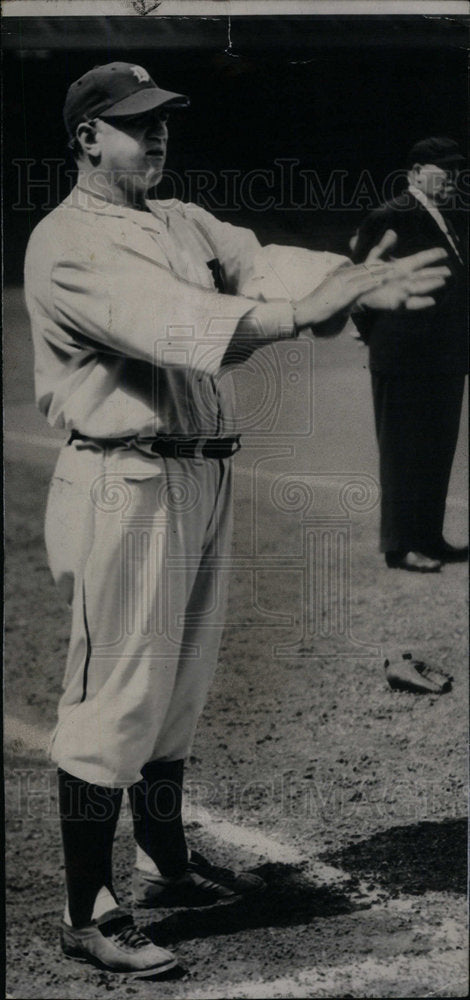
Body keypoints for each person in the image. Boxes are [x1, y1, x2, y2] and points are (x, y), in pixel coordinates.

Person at [24, 63, 451, 976]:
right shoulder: (66, 241)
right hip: (121, 482)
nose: (160, 134)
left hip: (197, 475)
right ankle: (87, 909)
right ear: (87, 137)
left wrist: (348, 276)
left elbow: (257, 259)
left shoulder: (177, 218)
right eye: (136, 123)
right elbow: (174, 325)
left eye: (166, 120)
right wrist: (303, 313)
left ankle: (166, 861)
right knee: (118, 694)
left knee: (179, 688)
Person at [352, 136, 468, 573]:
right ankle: (400, 547)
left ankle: (430, 538)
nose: (454, 176)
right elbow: (359, 282)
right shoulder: (391, 214)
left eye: (457, 168)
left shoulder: (450, 216)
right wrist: (374, 335)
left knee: (437, 450)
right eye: (444, 168)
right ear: (416, 172)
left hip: (444, 358)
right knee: (404, 452)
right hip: (403, 357)